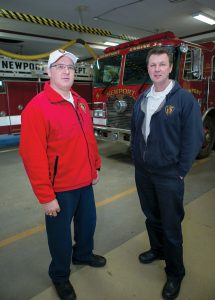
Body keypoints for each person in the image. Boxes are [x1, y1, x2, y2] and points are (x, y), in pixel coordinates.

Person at [19, 49, 106, 300]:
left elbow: (88, 138)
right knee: (59, 237)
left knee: (87, 225)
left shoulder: (79, 101)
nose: (66, 71)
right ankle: (59, 274)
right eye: (60, 67)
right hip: (59, 188)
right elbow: (32, 157)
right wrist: (46, 197)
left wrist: (95, 167)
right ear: (49, 72)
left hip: (84, 181)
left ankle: (83, 254)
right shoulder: (37, 108)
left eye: (70, 67)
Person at [131, 47, 203, 299]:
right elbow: (136, 134)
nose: (157, 69)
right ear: (148, 68)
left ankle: (175, 272)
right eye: (152, 65)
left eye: (162, 64)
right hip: (144, 173)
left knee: (171, 224)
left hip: (169, 175)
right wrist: (137, 161)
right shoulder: (142, 98)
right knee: (151, 217)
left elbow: (193, 139)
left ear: (170, 67)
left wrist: (180, 171)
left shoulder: (183, 99)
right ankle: (157, 249)